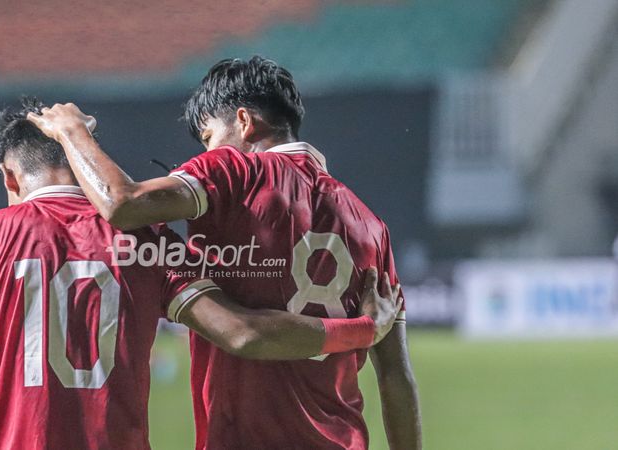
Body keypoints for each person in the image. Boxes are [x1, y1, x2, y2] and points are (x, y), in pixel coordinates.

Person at [0, 97, 402, 450]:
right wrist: (363, 331)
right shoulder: (150, 244)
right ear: (83, 162)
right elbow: (243, 333)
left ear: (8, 174)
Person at [27, 56, 422, 449]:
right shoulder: (371, 224)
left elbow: (123, 204)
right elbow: (396, 377)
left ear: (244, 122)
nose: (206, 151)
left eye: (208, 136)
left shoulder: (236, 170)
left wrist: (72, 132)